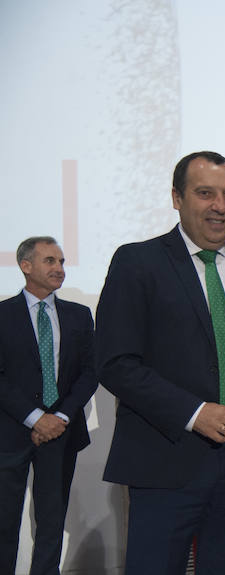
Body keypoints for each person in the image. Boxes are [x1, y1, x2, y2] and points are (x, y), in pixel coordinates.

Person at [95, 151, 225, 575]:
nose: (220, 205)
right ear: (177, 198)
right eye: (205, 193)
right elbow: (114, 361)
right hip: (166, 458)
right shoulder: (137, 262)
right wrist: (194, 413)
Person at [0, 237, 97, 575]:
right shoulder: (2, 315)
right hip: (10, 434)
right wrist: (35, 418)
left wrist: (60, 417)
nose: (59, 269)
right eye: (50, 261)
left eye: (62, 261)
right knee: (4, 521)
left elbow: (90, 372)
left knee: (52, 520)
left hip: (61, 432)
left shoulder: (79, 315)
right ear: (26, 266)